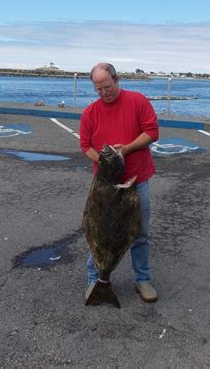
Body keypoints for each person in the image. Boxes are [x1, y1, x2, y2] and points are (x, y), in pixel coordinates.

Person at [79, 62, 159, 303]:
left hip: (136, 180)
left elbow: (152, 132)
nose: (104, 92)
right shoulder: (90, 112)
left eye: (107, 86)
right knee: (98, 233)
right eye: (99, 89)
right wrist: (105, 161)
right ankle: (95, 281)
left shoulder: (138, 101)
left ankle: (142, 279)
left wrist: (126, 150)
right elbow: (85, 146)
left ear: (117, 79)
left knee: (139, 232)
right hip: (104, 185)